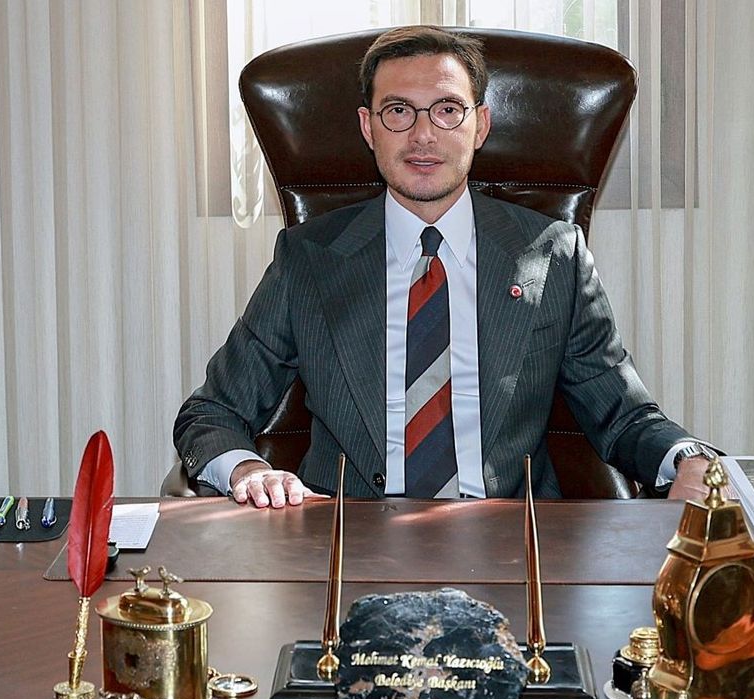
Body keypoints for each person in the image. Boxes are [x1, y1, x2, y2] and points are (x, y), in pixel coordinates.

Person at [174, 25, 717, 509]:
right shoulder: (309, 259)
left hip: (507, 542)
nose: (423, 135)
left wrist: (688, 458)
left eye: (447, 110)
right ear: (368, 127)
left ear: (480, 125)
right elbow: (211, 412)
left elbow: (622, 413)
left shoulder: (553, 254)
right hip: (348, 538)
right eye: (398, 111)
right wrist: (247, 471)